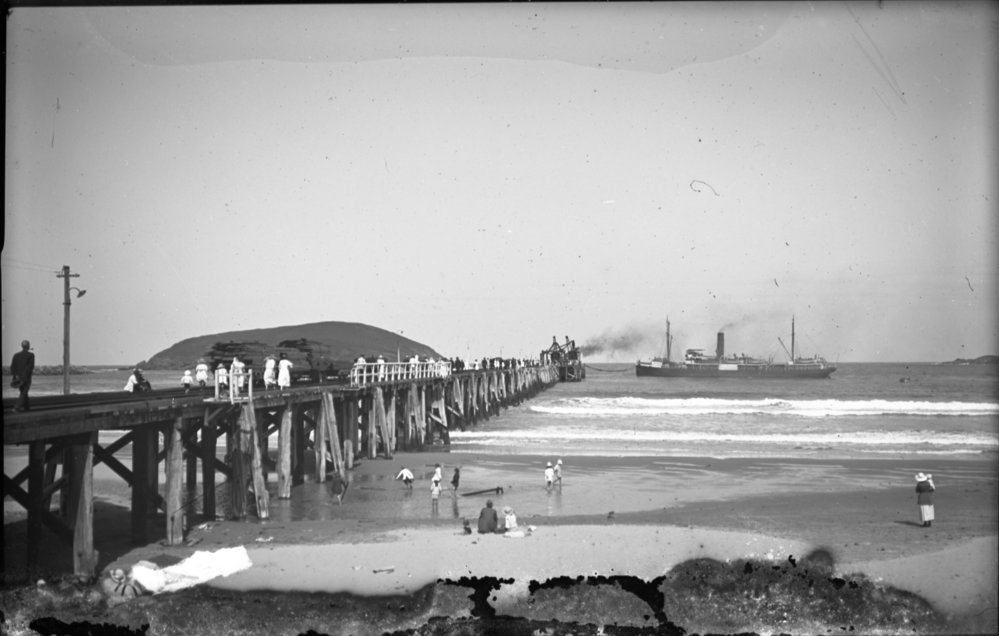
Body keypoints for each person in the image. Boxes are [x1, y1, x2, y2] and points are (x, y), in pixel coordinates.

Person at [10, 339, 35, 412]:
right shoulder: (31, 355)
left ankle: (27, 407)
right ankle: (16, 407)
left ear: (22, 346)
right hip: (26, 378)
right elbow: (30, 367)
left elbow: (12, 367)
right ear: (28, 346)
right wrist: (25, 377)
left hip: (17, 378)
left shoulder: (16, 355)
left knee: (23, 392)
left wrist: (16, 376)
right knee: (24, 392)